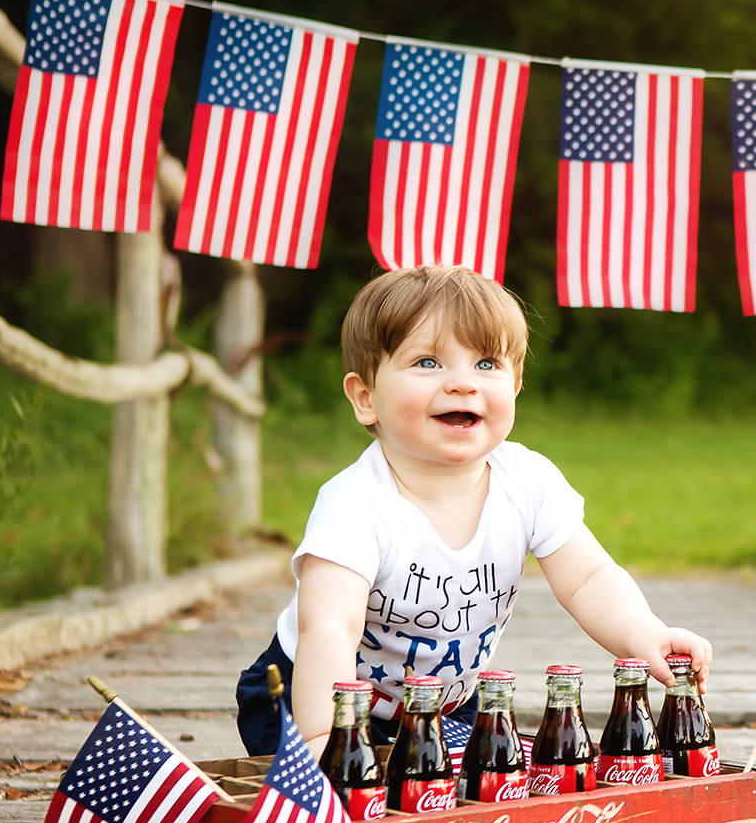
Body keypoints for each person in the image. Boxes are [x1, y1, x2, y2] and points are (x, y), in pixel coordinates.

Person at [235, 266, 712, 757]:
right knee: (348, 808)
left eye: (486, 364)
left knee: (479, 790)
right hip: (311, 699)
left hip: (443, 708)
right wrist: (325, 738)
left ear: (517, 385)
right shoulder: (355, 504)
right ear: (365, 397)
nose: (462, 383)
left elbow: (588, 577)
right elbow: (330, 627)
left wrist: (645, 632)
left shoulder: (526, 481)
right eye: (427, 362)